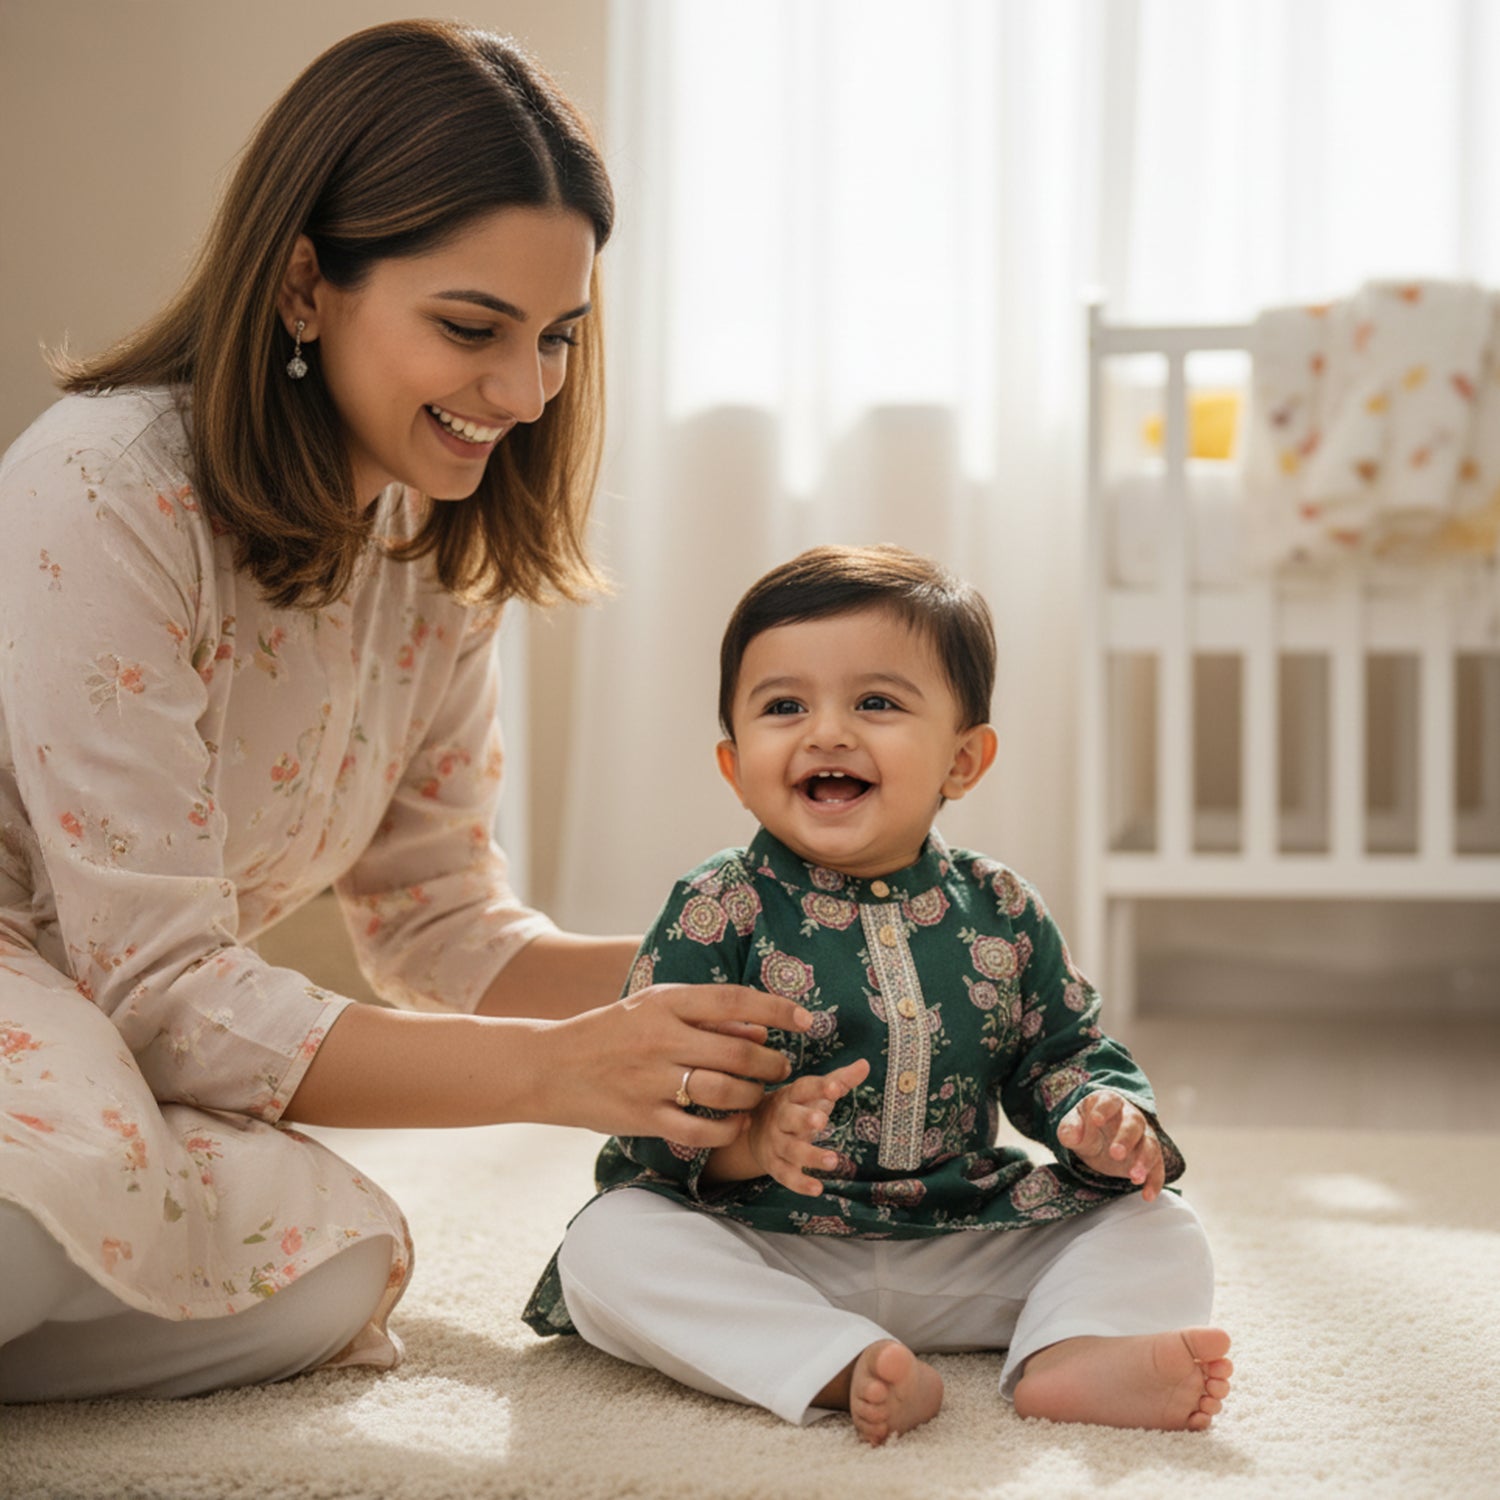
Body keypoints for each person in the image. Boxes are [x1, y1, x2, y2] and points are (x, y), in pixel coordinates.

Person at [0, 19, 810, 1405]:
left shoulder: (429, 546)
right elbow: (163, 989)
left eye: (556, 338)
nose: (523, 392)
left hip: (106, 1026)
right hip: (53, 991)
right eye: (470, 328)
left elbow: (438, 923)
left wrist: (764, 971)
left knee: (330, 1267)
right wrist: (557, 1077)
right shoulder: (105, 490)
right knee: (81, 1197)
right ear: (307, 283)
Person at [525, 545, 1233, 1444]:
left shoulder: (1003, 908)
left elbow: (1062, 1051)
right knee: (609, 1246)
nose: (826, 732)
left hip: (963, 1232)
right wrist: (749, 1139)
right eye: (784, 706)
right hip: (762, 1242)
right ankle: (831, 1362)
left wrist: (1097, 1117)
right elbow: (651, 1102)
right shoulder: (720, 906)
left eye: (876, 703)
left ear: (963, 760)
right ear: (734, 763)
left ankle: (1070, 1353)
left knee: (1159, 1223)